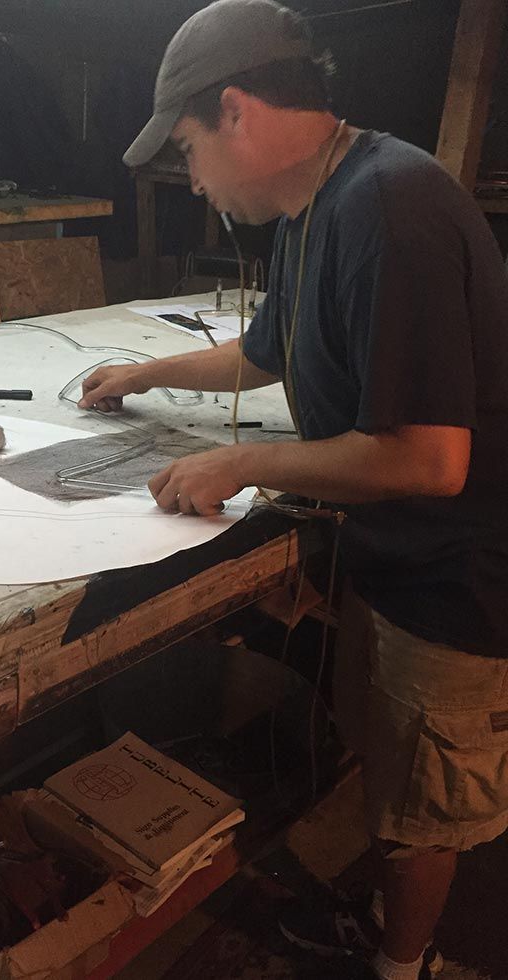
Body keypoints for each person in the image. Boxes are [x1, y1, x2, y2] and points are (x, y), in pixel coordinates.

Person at [77, 2, 508, 979]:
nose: (191, 180)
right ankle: (388, 917)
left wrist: (241, 463)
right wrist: (143, 374)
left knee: (422, 808)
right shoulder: (319, 206)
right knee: (390, 770)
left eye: (187, 150)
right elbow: (264, 355)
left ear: (237, 113)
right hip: (392, 558)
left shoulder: (392, 206)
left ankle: (406, 964)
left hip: (456, 582)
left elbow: (433, 458)